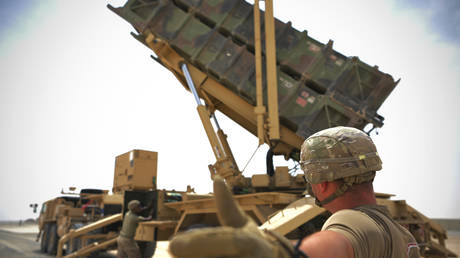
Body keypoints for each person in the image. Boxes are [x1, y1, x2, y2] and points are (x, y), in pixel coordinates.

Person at [168, 126, 421, 258]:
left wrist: (280, 253)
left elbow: (336, 245)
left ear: (320, 183)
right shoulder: (403, 236)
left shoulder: (349, 220)